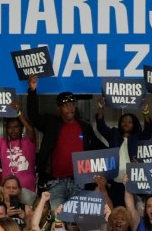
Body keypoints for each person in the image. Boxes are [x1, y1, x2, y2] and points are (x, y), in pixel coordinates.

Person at [26, 76, 104, 208]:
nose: (70, 108)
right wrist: (32, 91)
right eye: (66, 105)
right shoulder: (51, 123)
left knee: (76, 220)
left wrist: (116, 153)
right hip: (55, 182)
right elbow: (33, 116)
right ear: (59, 108)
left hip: (78, 182)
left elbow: (97, 145)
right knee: (56, 221)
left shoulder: (84, 126)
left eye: (72, 104)